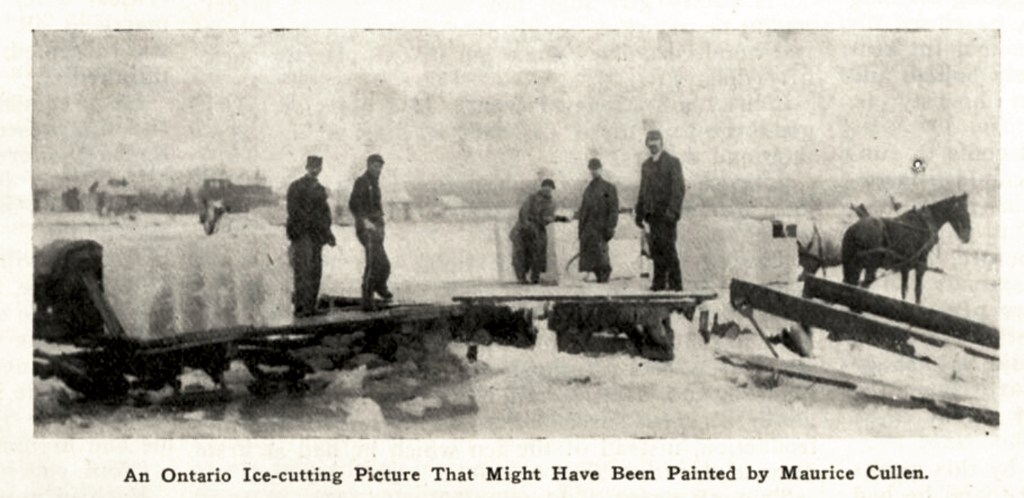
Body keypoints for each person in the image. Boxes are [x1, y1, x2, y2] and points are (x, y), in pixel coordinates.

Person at [634, 130, 685, 291]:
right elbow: (643, 191)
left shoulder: (672, 162)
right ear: (646, 144)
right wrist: (639, 212)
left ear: (662, 142)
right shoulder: (646, 165)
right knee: (655, 250)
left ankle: (676, 285)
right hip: (652, 216)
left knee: (668, 249)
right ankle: (659, 283)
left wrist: (672, 212)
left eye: (655, 140)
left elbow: (678, 189)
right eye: (650, 141)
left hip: (667, 216)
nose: (652, 144)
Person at [286, 155, 336, 317]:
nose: (315, 170)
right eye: (312, 166)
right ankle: (301, 308)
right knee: (303, 271)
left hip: (316, 236)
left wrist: (328, 233)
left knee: (315, 271)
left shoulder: (320, 189)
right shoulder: (296, 186)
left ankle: (311, 306)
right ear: (307, 167)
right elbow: (293, 211)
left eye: (318, 167)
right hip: (302, 234)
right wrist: (310, 224)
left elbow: (324, 213)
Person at [349, 153, 392, 311]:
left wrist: (380, 224)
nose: (378, 169)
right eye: (375, 166)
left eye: (380, 167)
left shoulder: (375, 183)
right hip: (366, 229)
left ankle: (380, 287)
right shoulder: (362, 182)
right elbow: (353, 204)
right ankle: (367, 301)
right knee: (374, 263)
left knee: (383, 264)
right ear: (368, 165)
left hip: (377, 228)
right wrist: (364, 221)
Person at [577, 158, 619, 283]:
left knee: (602, 256)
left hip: (602, 227)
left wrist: (611, 226)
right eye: (591, 169)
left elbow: (613, 209)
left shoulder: (609, 188)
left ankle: (604, 278)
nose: (594, 171)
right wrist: (581, 229)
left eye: (596, 169)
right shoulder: (588, 189)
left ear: (601, 169)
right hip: (588, 227)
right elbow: (583, 210)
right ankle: (595, 276)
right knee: (589, 256)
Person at [511, 179, 558, 284]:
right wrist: (528, 225)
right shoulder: (531, 198)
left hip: (538, 231)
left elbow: (547, 217)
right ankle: (521, 277)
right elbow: (523, 213)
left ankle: (535, 277)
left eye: (550, 188)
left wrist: (553, 219)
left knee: (538, 254)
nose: (547, 190)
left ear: (552, 190)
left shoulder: (552, 202)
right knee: (521, 255)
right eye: (545, 187)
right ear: (541, 188)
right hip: (523, 230)